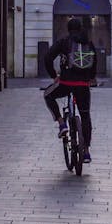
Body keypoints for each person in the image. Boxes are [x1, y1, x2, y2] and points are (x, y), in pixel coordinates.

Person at [43, 16, 97, 162]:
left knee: (48, 95)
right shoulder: (89, 43)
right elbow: (94, 62)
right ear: (80, 29)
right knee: (85, 115)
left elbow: (48, 58)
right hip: (83, 85)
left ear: (68, 29)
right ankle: (85, 151)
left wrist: (54, 75)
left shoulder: (63, 42)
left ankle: (61, 123)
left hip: (65, 83)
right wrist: (91, 78)